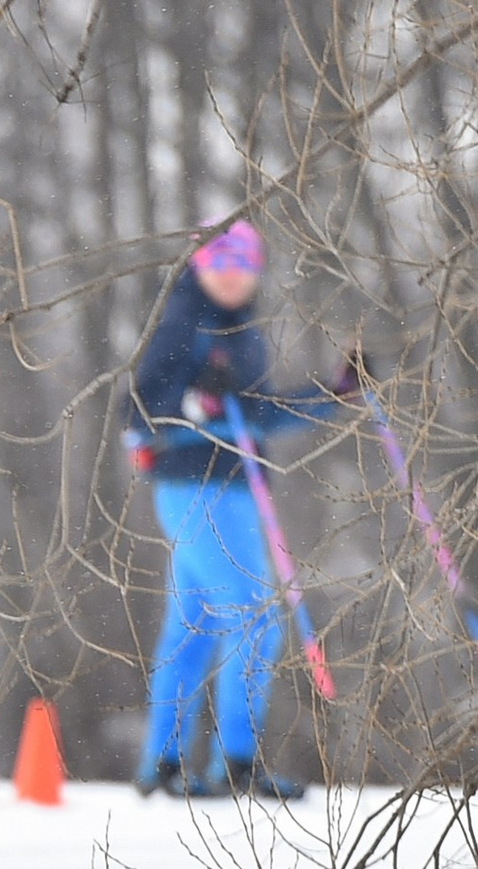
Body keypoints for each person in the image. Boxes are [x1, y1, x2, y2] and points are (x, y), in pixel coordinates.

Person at [125, 219, 354, 801]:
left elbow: (257, 414)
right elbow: (139, 406)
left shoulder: (240, 327)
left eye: (243, 266)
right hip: (196, 485)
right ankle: (235, 760)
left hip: (229, 487)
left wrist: (333, 393)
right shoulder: (183, 318)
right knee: (254, 618)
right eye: (221, 264)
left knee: (196, 623)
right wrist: (193, 400)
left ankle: (164, 762)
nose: (232, 278)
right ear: (200, 265)